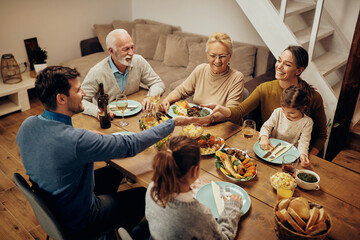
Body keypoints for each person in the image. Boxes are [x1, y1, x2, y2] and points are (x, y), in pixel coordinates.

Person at [16, 66, 185, 239]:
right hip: (80, 221)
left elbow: (57, 148)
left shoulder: (26, 125)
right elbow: (130, 145)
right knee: (143, 194)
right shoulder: (76, 141)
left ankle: (111, 229)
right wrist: (172, 123)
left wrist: (86, 140)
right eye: (77, 90)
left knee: (115, 170)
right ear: (61, 98)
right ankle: (121, 234)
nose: (83, 93)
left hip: (54, 207)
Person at [205, 45, 327, 156]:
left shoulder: (314, 97)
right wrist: (216, 112)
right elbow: (239, 111)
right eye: (279, 60)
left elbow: (321, 136)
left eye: (287, 64)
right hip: (270, 152)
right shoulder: (265, 88)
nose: (279, 66)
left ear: (299, 70)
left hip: (297, 156)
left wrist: (307, 158)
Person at [145, 136, 243, 240]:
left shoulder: (153, 187)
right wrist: (233, 207)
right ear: (194, 171)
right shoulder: (198, 214)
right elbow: (224, 237)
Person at [159, 32, 245, 125]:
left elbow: (232, 112)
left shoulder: (237, 78)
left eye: (222, 56)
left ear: (230, 56)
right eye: (213, 56)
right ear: (207, 55)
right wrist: (167, 100)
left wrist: (209, 119)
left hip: (223, 126)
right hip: (199, 124)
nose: (217, 61)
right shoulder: (201, 69)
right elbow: (181, 91)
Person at [81, 29, 165, 118]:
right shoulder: (97, 71)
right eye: (126, 49)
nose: (131, 53)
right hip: (109, 119)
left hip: (135, 114)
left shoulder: (139, 61)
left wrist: (150, 97)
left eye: (132, 47)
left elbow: (158, 83)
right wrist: (99, 112)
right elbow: (81, 100)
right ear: (111, 51)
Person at [259, 85, 313, 167]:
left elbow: (304, 142)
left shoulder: (307, 122)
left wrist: (303, 155)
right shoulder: (278, 112)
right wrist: (264, 137)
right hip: (271, 150)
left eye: (291, 113)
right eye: (284, 110)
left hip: (289, 157)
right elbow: (266, 127)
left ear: (302, 108)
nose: (286, 115)